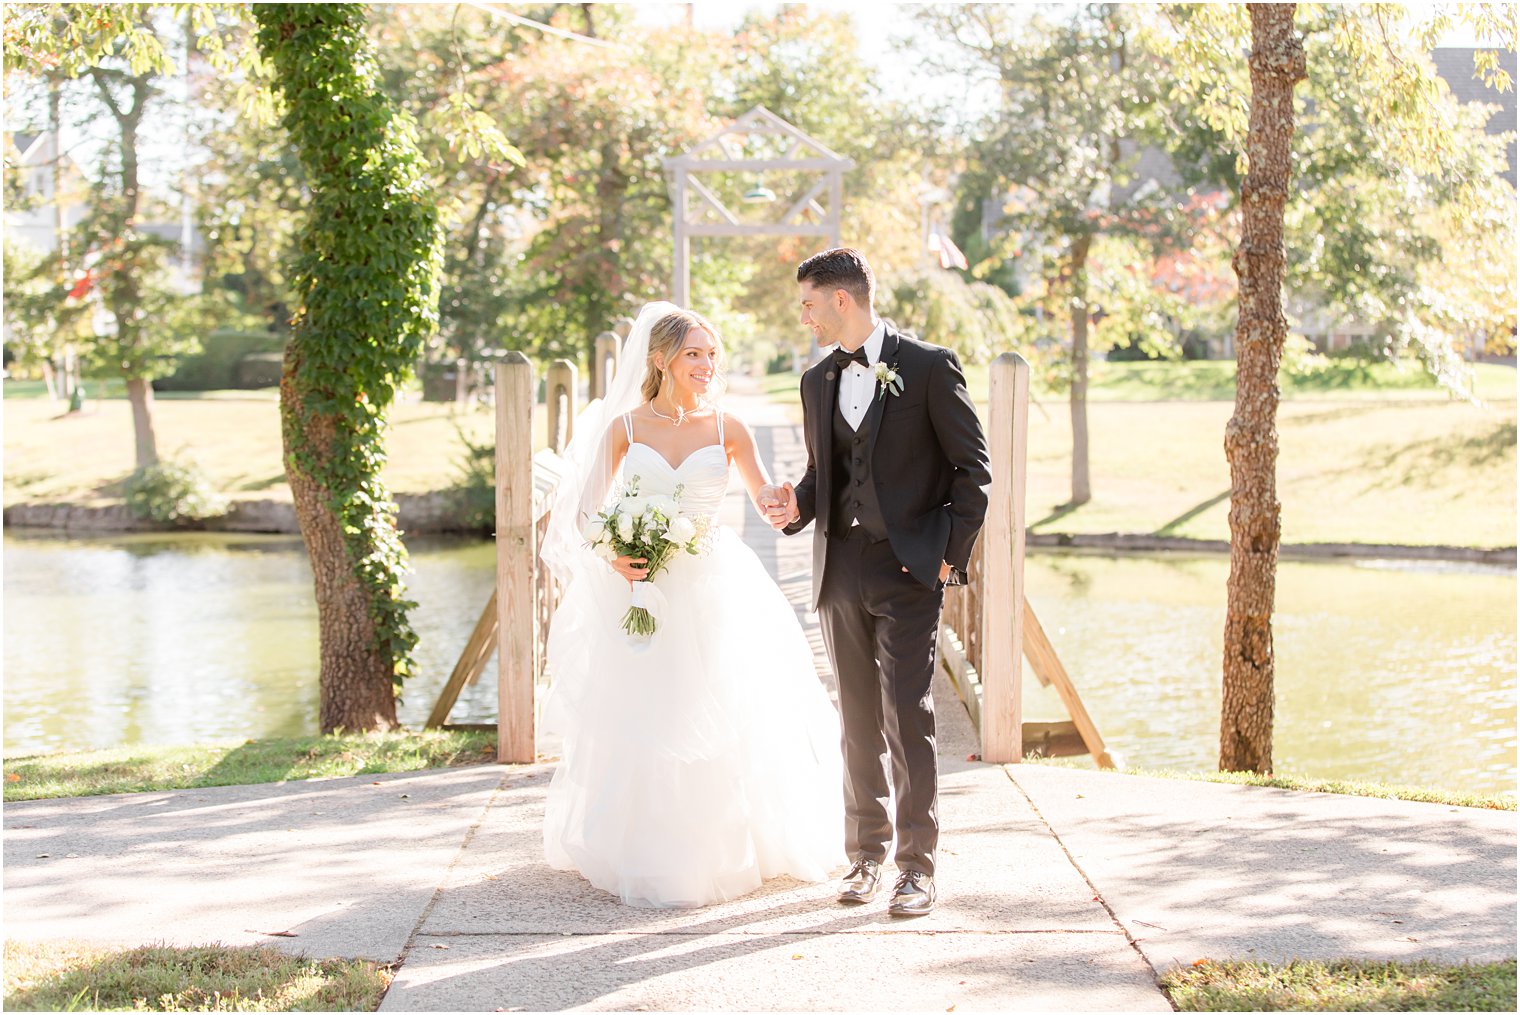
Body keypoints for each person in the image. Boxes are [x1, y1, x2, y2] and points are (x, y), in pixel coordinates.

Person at [540, 301, 846, 909]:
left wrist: (785, 500)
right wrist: (614, 556)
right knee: (650, 707)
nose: (707, 365)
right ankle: (648, 848)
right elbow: (586, 510)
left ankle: (728, 845)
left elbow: (767, 500)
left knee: (722, 703)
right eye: (694, 354)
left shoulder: (729, 428)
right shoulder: (625, 429)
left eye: (712, 355)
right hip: (645, 582)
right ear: (662, 361)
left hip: (714, 579)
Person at [765, 248, 991, 917]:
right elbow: (822, 478)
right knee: (855, 723)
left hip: (909, 570)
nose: (803, 316)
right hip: (840, 572)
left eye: (809, 303)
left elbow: (971, 471)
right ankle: (864, 855)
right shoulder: (816, 381)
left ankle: (915, 868)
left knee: (907, 717)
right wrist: (795, 505)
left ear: (842, 299)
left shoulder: (928, 366)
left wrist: (949, 557)